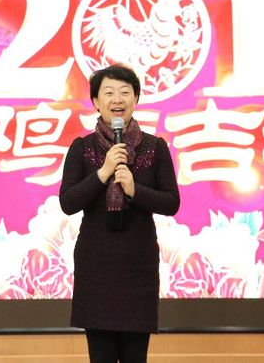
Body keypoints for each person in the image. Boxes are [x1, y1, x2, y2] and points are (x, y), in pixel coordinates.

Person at [59, 64, 180, 363]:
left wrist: (135, 190)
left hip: (138, 269)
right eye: (109, 92)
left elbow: (171, 202)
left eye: (125, 92)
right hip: (96, 270)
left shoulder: (155, 147)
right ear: (96, 101)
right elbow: (69, 202)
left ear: (135, 99)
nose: (118, 99)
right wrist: (104, 172)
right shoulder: (81, 148)